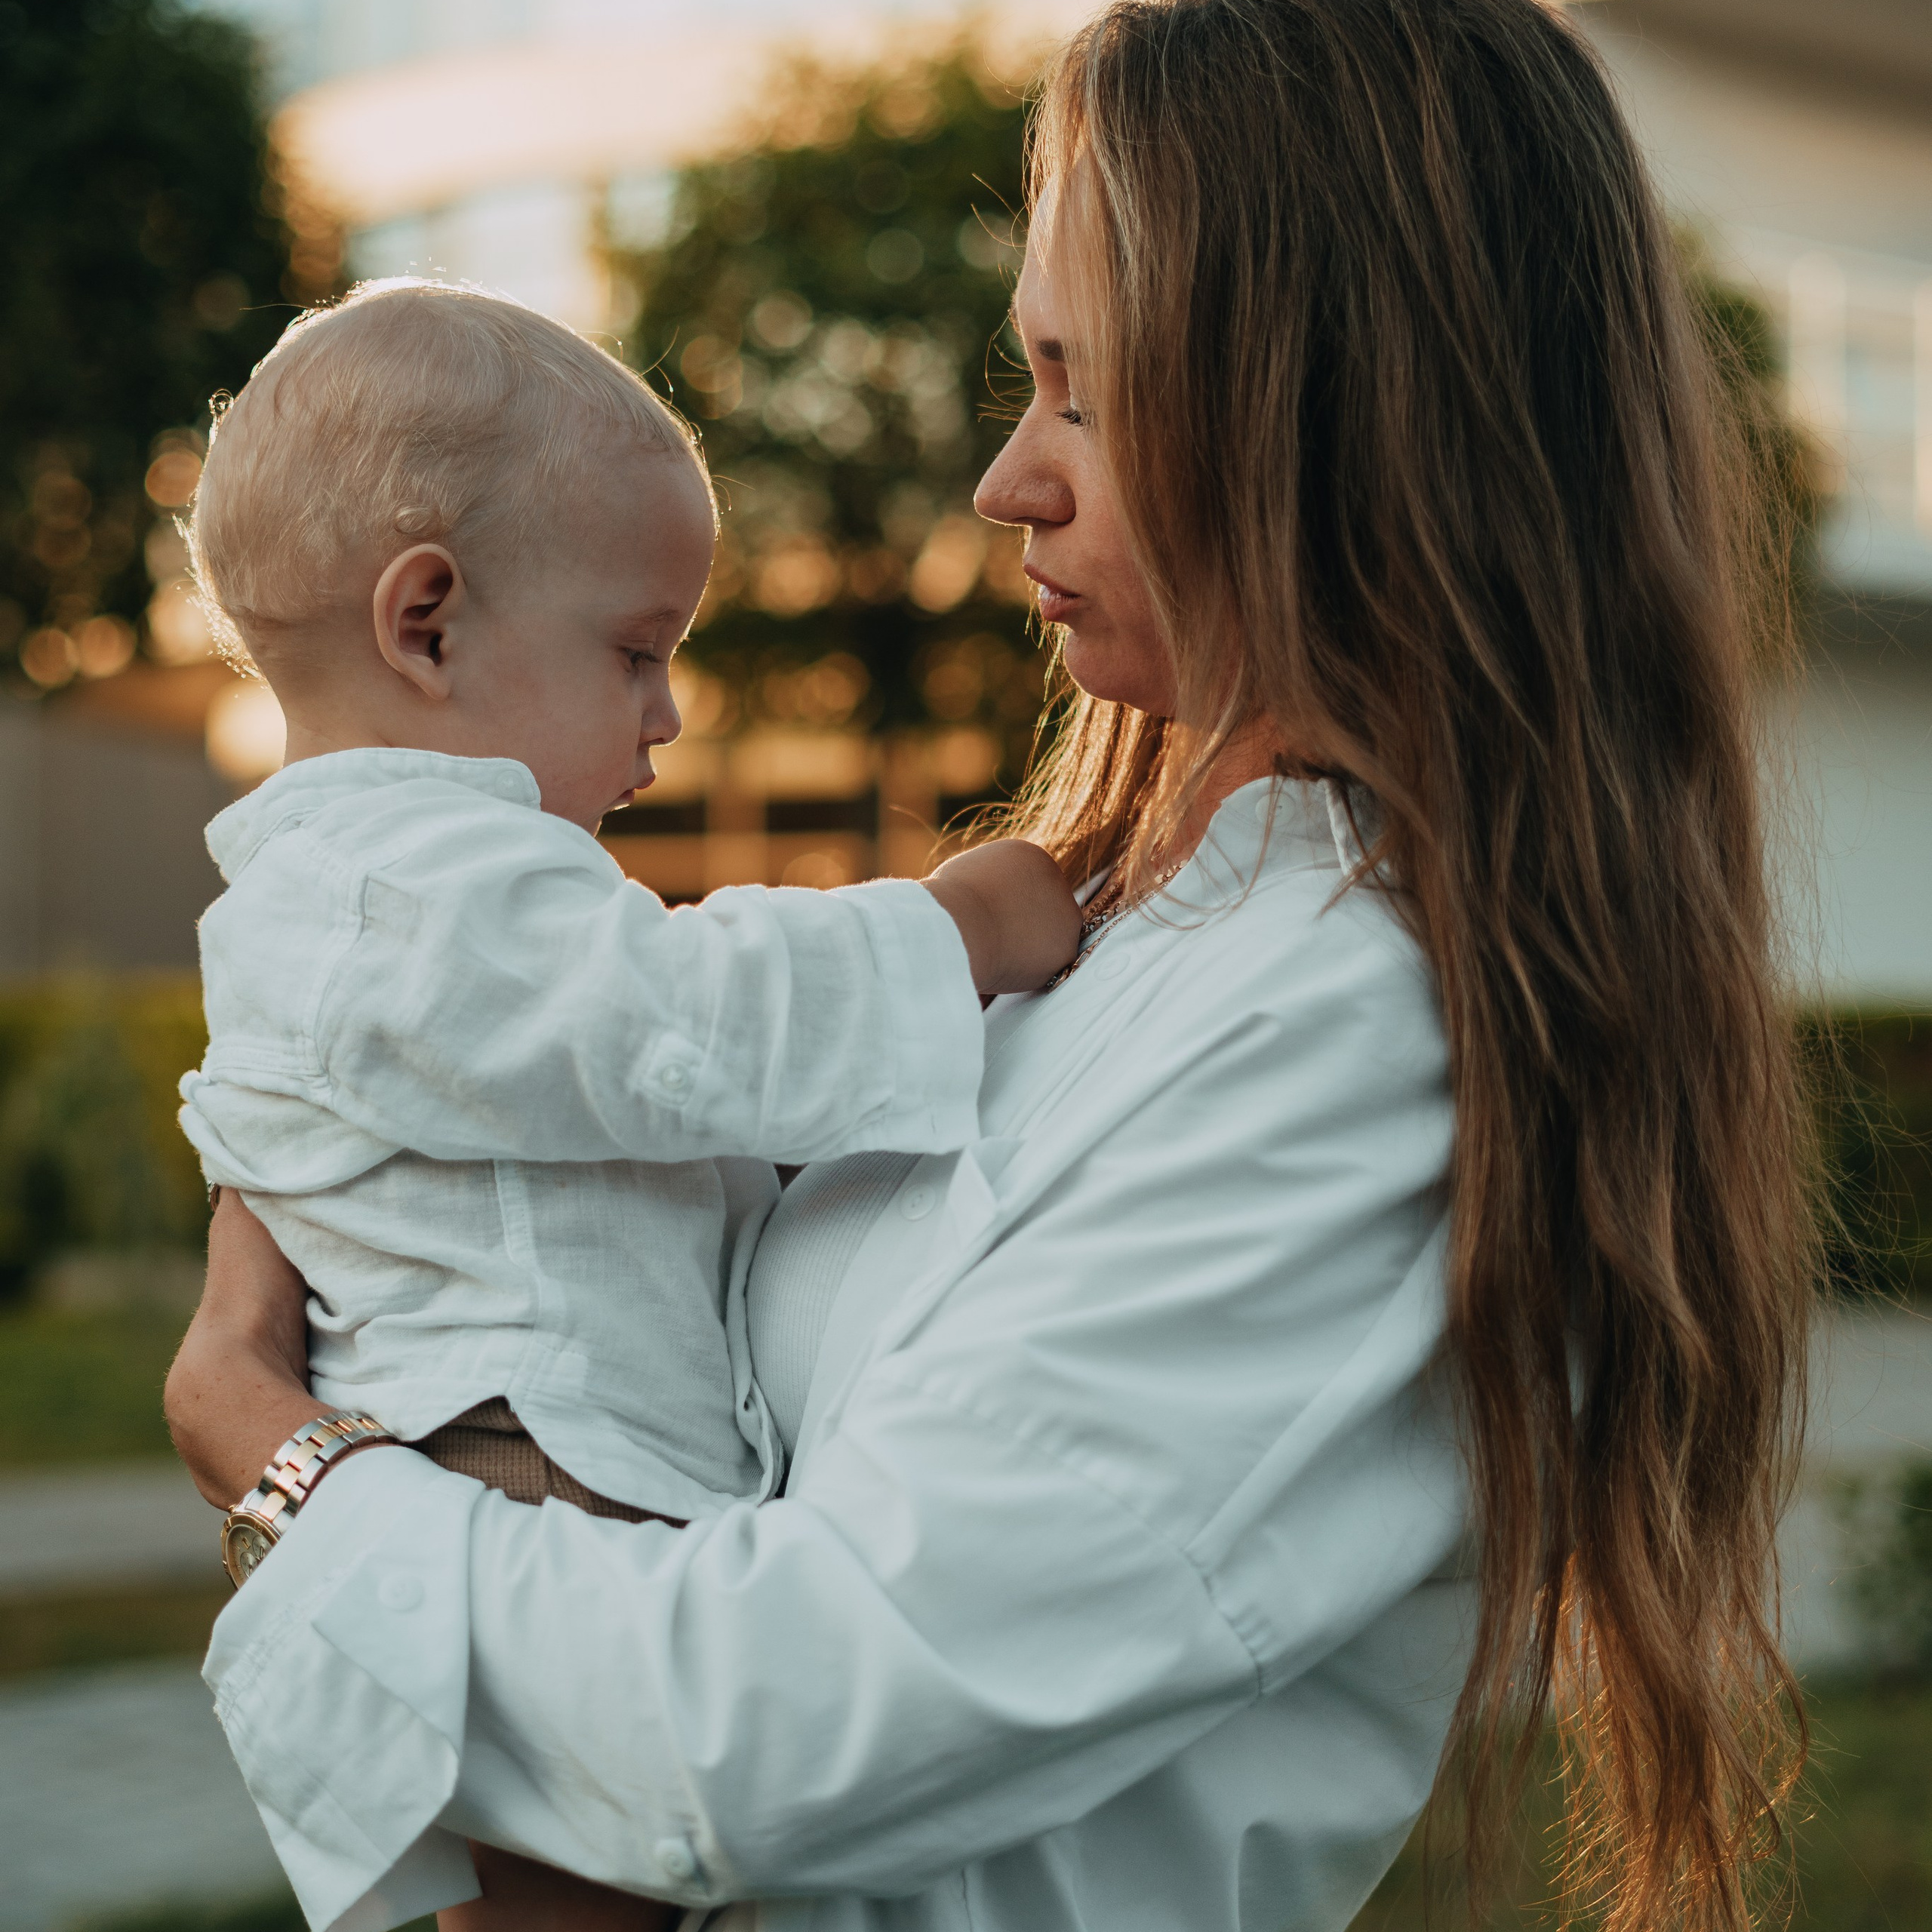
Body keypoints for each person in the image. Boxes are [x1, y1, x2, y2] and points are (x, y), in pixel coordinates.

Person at [166, 4, 1818, 1930]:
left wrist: (278, 1457)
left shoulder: (1353, 1045)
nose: (1002, 480)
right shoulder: (1124, 927)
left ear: (1329, 413)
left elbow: (761, 1738)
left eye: (1075, 389)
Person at [174, 278, 1078, 1930]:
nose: (669, 714)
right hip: (529, 1475)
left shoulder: (401, 887)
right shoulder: (413, 885)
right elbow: (672, 1028)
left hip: (530, 1461)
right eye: (638, 651)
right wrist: (955, 931)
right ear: (426, 622)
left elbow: (646, 1113)